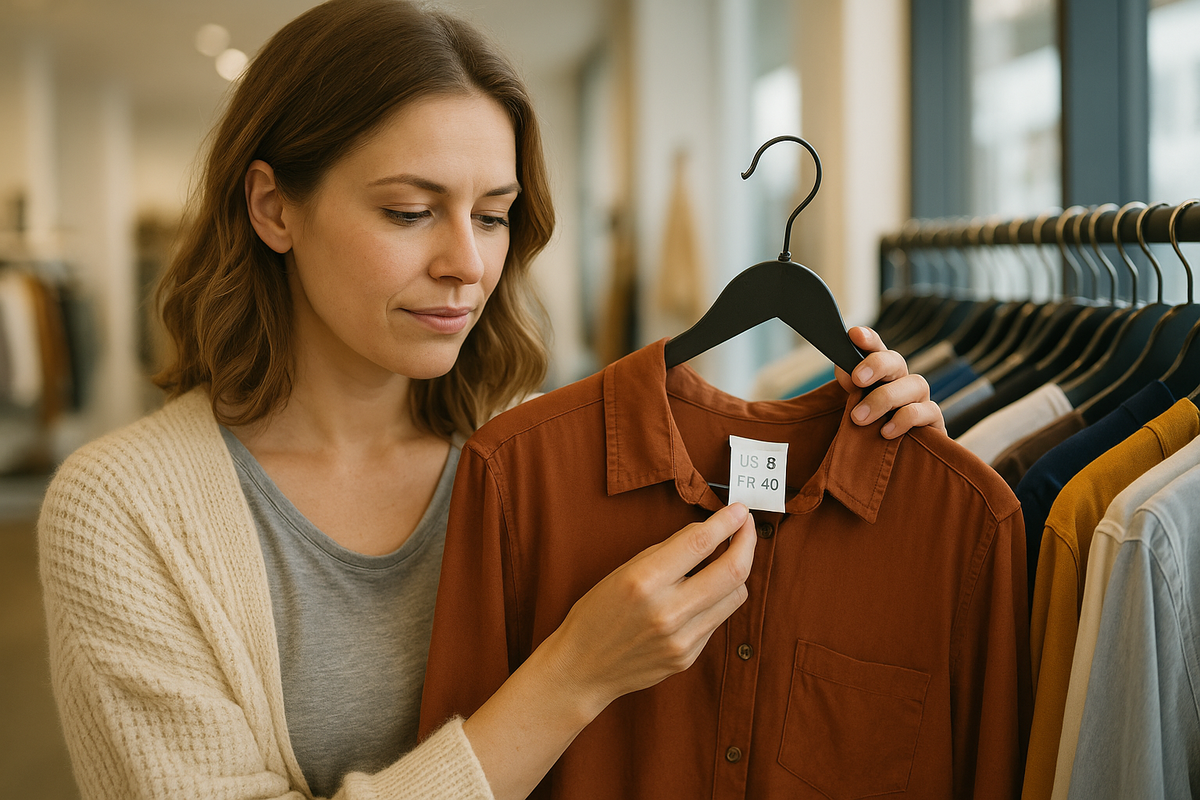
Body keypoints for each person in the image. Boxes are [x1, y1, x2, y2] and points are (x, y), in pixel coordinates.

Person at [37, 1, 946, 799]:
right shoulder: (121, 511)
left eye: (493, 214)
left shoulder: (550, 455)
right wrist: (568, 681)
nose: (467, 265)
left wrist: (891, 470)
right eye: (408, 210)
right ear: (274, 208)